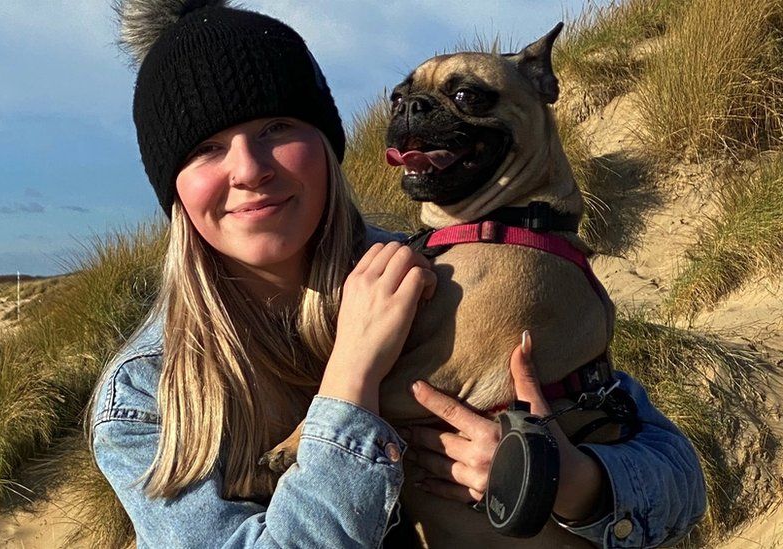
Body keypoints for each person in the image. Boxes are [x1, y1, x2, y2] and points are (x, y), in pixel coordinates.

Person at [88, 1, 707, 547]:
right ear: (174, 188)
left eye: (276, 128)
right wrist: (351, 376)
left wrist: (567, 481)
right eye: (206, 148)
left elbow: (678, 483)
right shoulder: (145, 394)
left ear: (328, 146)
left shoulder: (449, 271)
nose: (248, 169)